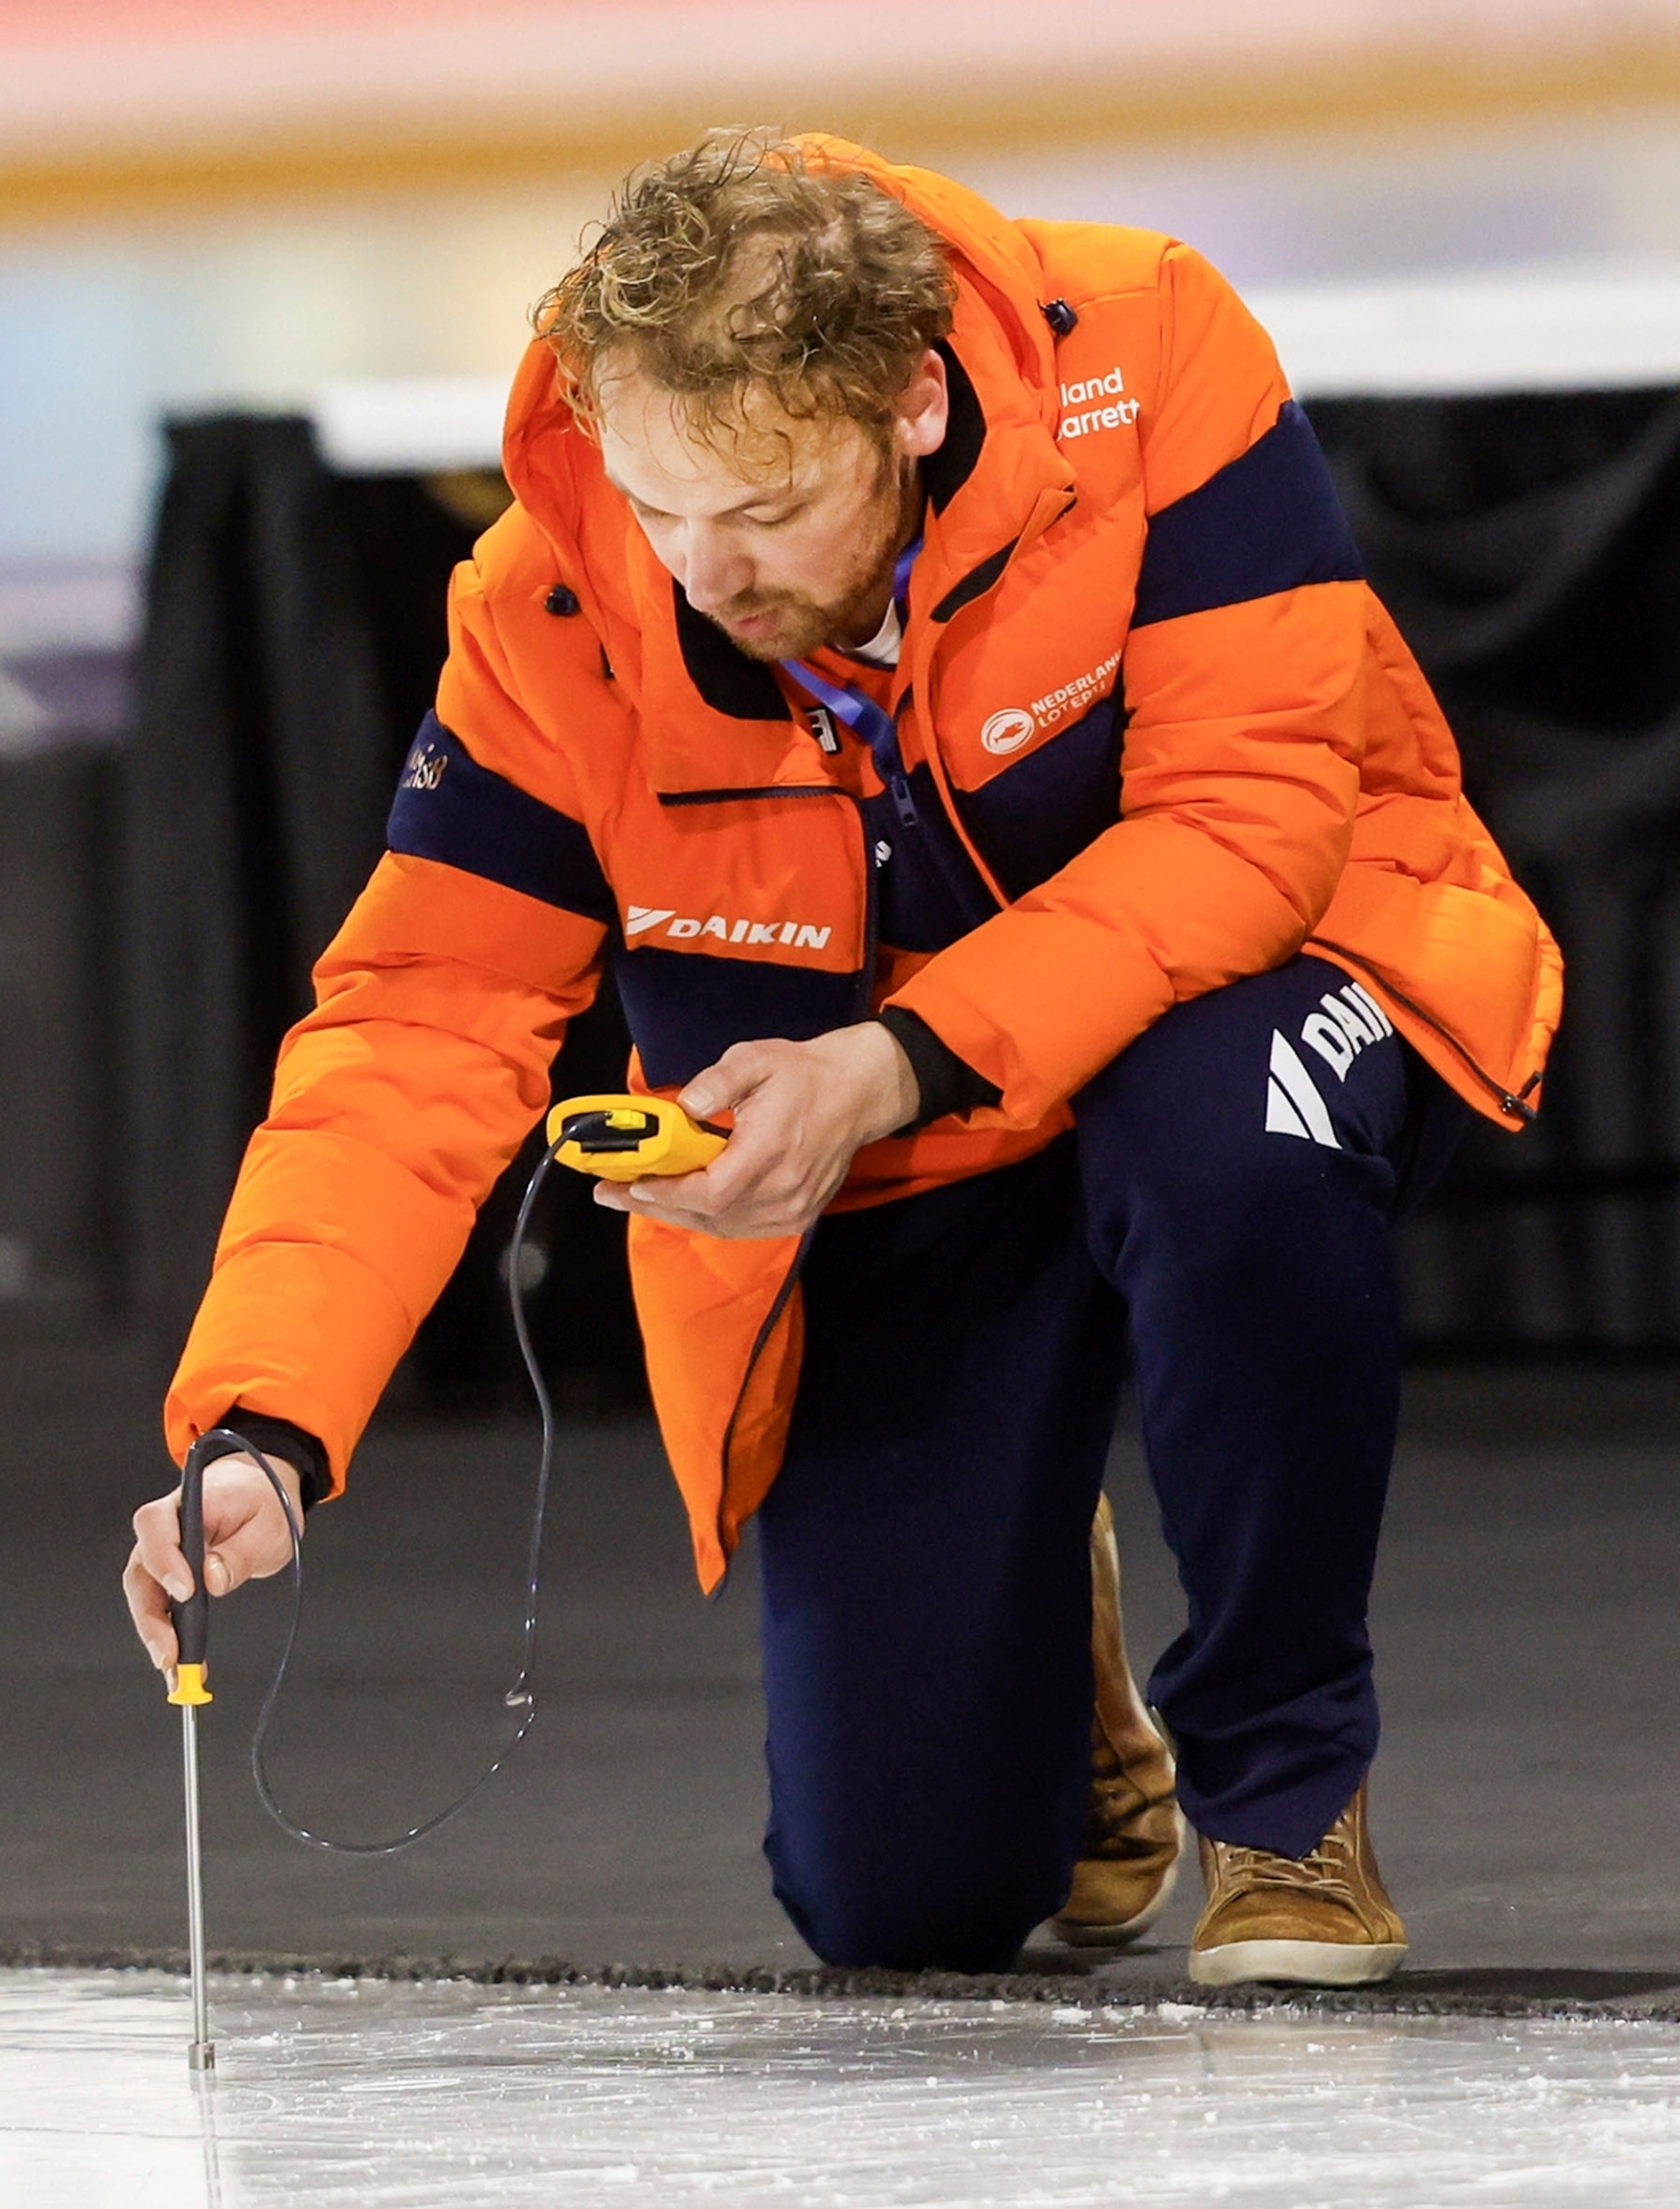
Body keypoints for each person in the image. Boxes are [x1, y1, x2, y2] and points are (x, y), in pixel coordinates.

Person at [124, 130, 1561, 1987]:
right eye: (656, 506)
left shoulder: (1151, 352)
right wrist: (264, 1426)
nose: (702, 573)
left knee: (1230, 1147)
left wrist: (887, 1063)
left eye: (767, 507)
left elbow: (1247, 821)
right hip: (899, 1145)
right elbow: (420, 1019)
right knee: (901, 1908)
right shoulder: (552, 604)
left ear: (914, 404)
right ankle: (1067, 1690)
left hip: (1273, 977)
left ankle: (1283, 1800)